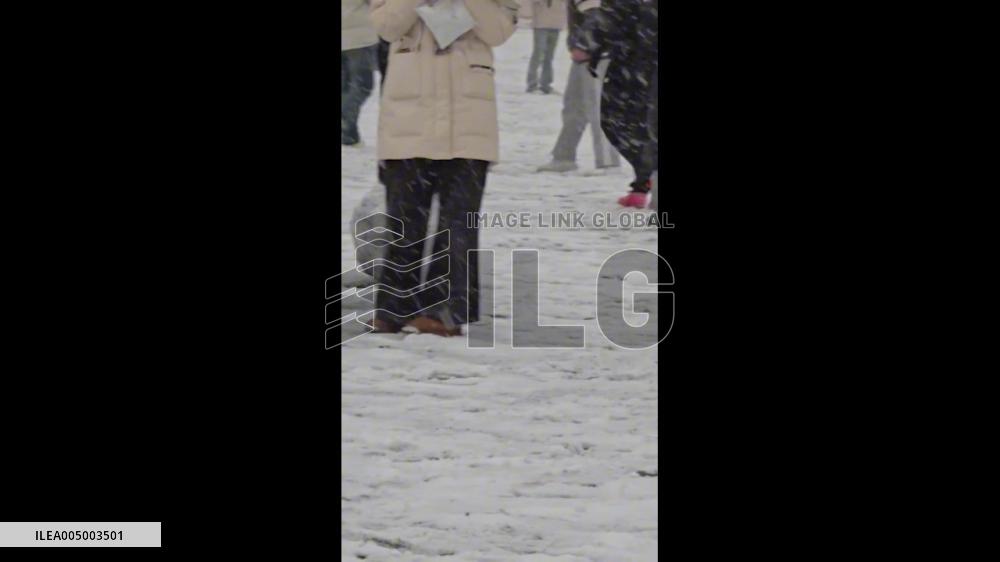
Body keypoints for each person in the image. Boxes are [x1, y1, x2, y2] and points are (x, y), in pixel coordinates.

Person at [369, 0, 516, 337]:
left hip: (468, 122)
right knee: (404, 220)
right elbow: (386, 25)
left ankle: (444, 312)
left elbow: (498, 31)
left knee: (459, 223)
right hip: (409, 118)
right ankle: (393, 308)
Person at [575, 0, 657, 207]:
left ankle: (646, 178)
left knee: (622, 123)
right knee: (633, 125)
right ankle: (643, 181)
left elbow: (612, 15)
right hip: (633, 59)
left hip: (637, 61)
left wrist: (587, 41)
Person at [536, 0, 619, 172]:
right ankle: (564, 155)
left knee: (597, 109)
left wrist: (583, 45)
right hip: (588, 56)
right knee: (574, 107)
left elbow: (596, 16)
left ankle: (607, 160)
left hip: (597, 56)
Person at [342, 0, 379, 145]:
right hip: (358, 38)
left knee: (346, 87)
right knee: (363, 85)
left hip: (354, 36)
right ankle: (345, 122)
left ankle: (349, 133)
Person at [526, 0, 566, 94]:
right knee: (538, 54)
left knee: (549, 56)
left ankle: (546, 85)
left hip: (556, 24)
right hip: (541, 24)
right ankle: (532, 85)